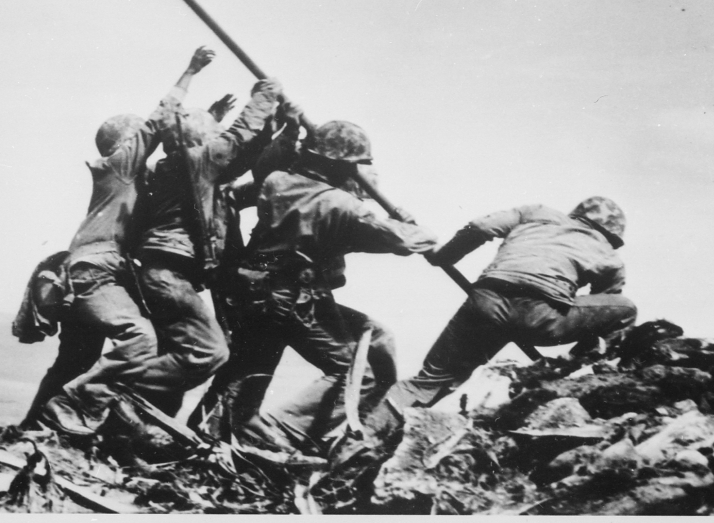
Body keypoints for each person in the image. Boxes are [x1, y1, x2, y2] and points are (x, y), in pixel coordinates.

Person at [200, 120, 438, 454]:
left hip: (254, 289)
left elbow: (238, 197)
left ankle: (219, 427)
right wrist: (412, 225)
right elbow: (406, 241)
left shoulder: (276, 181)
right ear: (338, 164)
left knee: (251, 367)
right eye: (352, 164)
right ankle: (282, 431)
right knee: (358, 374)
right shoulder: (343, 205)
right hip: (292, 300)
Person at [30, 46, 214, 435]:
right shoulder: (119, 167)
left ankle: (34, 427)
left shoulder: (130, 179)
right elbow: (160, 119)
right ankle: (75, 409)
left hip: (93, 273)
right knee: (140, 339)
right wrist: (190, 72)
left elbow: (182, 148)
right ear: (126, 144)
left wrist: (211, 118)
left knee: (75, 359)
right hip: (97, 272)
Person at [362, 197, 635, 441]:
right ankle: (584, 370)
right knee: (625, 309)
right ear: (612, 234)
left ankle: (364, 435)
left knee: (430, 381)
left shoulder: (536, 212)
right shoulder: (610, 257)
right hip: (541, 318)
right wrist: (577, 359)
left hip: (485, 304)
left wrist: (445, 256)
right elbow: (602, 315)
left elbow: (481, 227)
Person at [122, 76, 286, 415]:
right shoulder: (195, 162)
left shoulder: (189, 173)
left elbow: (248, 161)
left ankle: (141, 428)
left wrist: (282, 129)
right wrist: (264, 97)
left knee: (179, 357)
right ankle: (107, 391)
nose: (218, 138)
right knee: (209, 351)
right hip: (168, 277)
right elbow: (238, 139)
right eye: (213, 133)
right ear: (200, 140)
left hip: (168, 277)